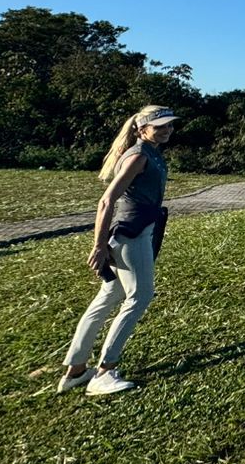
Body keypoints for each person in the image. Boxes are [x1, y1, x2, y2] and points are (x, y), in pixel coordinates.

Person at [57, 105, 178, 396]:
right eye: (159, 126)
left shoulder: (151, 153)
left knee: (109, 296)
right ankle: (104, 372)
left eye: (170, 125)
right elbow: (106, 201)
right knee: (141, 295)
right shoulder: (138, 156)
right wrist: (98, 245)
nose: (166, 130)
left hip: (138, 232)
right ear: (142, 129)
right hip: (131, 235)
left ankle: (76, 369)